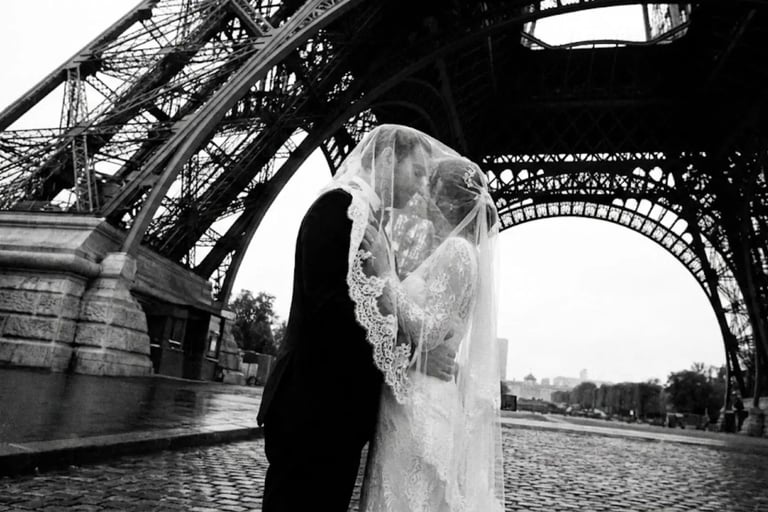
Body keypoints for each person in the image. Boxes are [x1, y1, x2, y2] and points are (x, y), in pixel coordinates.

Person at [256, 125, 458, 511]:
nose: (420, 188)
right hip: (311, 416)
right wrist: (415, 355)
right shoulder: (337, 209)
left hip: (332, 419)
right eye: (416, 172)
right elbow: (332, 318)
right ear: (384, 159)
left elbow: (365, 313)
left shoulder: (367, 221)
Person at [359, 156, 505, 511]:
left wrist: (385, 273)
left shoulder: (457, 251)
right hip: (417, 394)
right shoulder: (457, 251)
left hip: (420, 403)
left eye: (431, 186)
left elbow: (430, 329)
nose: (423, 193)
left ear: (449, 201)